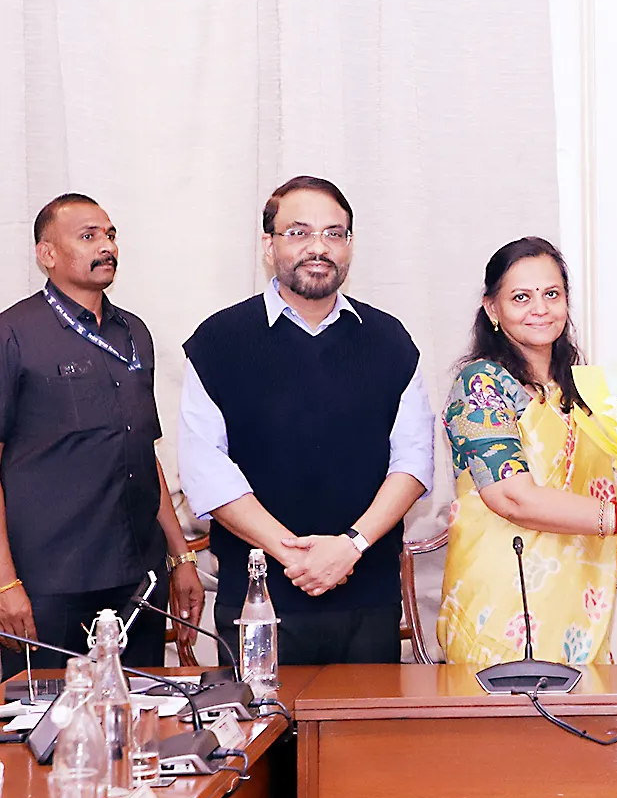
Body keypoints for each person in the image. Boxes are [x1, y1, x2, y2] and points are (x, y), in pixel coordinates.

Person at [179, 176, 434, 665]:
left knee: (365, 718)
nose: (318, 247)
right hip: (256, 602)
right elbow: (206, 473)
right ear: (268, 244)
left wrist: (350, 546)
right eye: (298, 232)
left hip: (367, 599)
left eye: (334, 234)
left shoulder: (389, 340)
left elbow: (414, 462)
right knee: (260, 719)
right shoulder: (218, 341)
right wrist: (295, 555)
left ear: (349, 245)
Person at [0, 193, 204, 679]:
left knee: (141, 714)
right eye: (88, 236)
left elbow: (142, 451)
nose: (106, 246)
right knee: (49, 719)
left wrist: (180, 556)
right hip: (51, 584)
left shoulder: (134, 333)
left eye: (110, 235)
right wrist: (2, 582)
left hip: (138, 581)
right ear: (47, 254)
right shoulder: (7, 336)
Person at [437, 237, 617, 666]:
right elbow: (513, 498)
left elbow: (581, 506)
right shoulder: (481, 385)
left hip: (578, 607)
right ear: (492, 309)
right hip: (505, 606)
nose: (540, 309)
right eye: (521, 297)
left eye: (552, 294)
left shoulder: (581, 393)